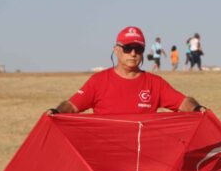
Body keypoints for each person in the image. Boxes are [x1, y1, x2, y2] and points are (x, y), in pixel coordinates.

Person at [48, 26, 206, 116]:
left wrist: (198, 109)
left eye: (138, 49)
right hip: (104, 160)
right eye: (128, 48)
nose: (133, 53)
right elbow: (72, 106)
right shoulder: (98, 81)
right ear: (116, 50)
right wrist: (56, 112)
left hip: (141, 162)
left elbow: (183, 103)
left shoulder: (155, 83)